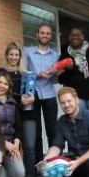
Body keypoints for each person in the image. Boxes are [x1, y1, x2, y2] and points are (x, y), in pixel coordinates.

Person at [0, 42, 38, 177]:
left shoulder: (26, 73)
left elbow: (32, 92)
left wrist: (32, 98)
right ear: (7, 55)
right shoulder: (1, 72)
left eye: (17, 54)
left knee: (29, 147)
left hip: (28, 113)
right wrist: (19, 98)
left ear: (20, 56)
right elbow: (1, 92)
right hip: (10, 113)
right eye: (11, 54)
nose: (14, 57)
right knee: (13, 148)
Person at [24, 22, 61, 163]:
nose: (45, 35)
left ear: (50, 36)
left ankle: (54, 162)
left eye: (48, 33)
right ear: (37, 35)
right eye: (42, 33)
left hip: (49, 94)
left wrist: (58, 74)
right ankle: (38, 163)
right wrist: (36, 75)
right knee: (37, 132)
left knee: (52, 130)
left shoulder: (56, 55)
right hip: (32, 95)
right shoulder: (27, 51)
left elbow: (54, 81)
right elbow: (22, 73)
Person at [58, 26, 89, 121]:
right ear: (68, 38)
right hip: (76, 97)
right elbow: (61, 80)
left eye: (78, 35)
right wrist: (69, 69)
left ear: (83, 36)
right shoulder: (64, 55)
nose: (75, 37)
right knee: (80, 125)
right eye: (72, 35)